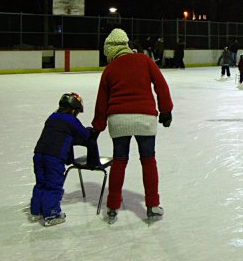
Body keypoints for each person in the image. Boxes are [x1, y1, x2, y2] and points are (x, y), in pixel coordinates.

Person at [92, 28, 174, 224]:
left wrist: (98, 125)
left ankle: (112, 206)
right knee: (148, 160)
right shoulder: (145, 60)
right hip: (144, 118)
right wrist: (166, 110)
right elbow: (161, 85)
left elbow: (101, 100)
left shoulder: (110, 69)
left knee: (119, 161)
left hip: (118, 120)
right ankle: (153, 205)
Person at [30, 92, 99, 226]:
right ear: (73, 109)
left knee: (41, 183)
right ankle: (51, 214)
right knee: (53, 185)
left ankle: (36, 211)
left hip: (39, 154)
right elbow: (84, 135)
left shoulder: (52, 117)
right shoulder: (71, 120)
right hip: (54, 157)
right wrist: (91, 130)